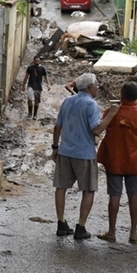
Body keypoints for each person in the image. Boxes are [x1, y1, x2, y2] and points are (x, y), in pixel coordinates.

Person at [51, 73, 119, 239]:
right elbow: (96, 130)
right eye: (96, 84)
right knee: (88, 189)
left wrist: (55, 147)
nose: (98, 87)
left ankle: (61, 223)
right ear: (89, 87)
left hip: (65, 151)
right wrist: (111, 114)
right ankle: (81, 227)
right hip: (84, 153)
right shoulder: (91, 104)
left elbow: (57, 126)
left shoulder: (67, 101)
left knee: (61, 187)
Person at [96, 82, 137, 244]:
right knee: (134, 196)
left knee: (114, 196)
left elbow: (102, 127)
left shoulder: (111, 112)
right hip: (135, 161)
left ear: (121, 95)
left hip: (115, 159)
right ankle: (133, 233)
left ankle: (112, 232)